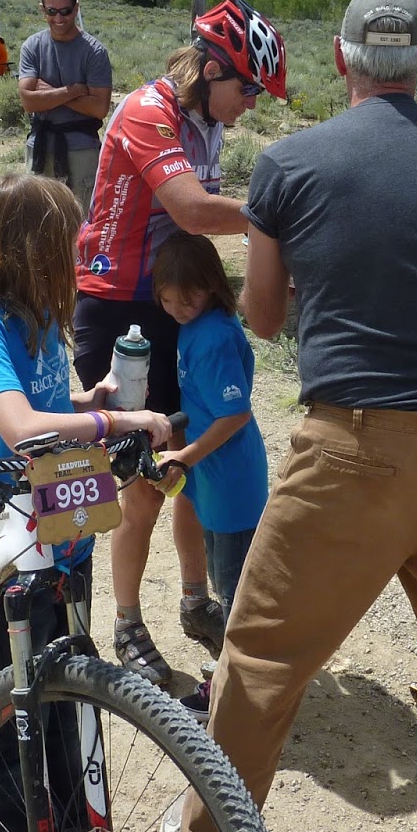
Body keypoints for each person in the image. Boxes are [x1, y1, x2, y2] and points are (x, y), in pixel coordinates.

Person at [176, 0, 417, 832]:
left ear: (342, 59)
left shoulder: (288, 166)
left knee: (265, 653)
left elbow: (266, 318)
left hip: (351, 450)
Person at [0, 171, 173, 832]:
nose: (78, 257)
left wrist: (88, 402)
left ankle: (75, 826)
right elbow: (18, 425)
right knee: (17, 725)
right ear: (24, 253)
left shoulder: (42, 317)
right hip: (7, 550)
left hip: (65, 533)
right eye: (65, 245)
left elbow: (44, 401)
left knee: (70, 697)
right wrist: (116, 423)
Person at [75, 0, 287, 687]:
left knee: (182, 467)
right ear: (211, 70)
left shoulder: (205, 124)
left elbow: (196, 228)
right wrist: (276, 221)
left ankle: (196, 600)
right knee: (139, 483)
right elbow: (194, 210)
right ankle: (128, 623)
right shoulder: (148, 113)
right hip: (116, 310)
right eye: (248, 86)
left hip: (167, 306)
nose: (252, 101)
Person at [149, 231, 268, 723]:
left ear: (211, 286)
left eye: (188, 297)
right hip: (213, 477)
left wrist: (186, 456)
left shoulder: (215, 335)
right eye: (168, 299)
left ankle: (235, 687)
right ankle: (235, 672)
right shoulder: (196, 326)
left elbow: (235, 414)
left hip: (229, 478)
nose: (178, 307)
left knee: (236, 585)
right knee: (228, 577)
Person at [17, 0, 111, 211]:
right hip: (40, 148)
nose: (59, 19)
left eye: (66, 11)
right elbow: (28, 101)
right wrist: (75, 90)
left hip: (81, 151)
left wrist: (49, 95)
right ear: (42, 10)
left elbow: (99, 108)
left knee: (79, 221)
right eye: (52, 11)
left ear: (76, 8)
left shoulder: (94, 52)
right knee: (38, 220)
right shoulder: (32, 46)